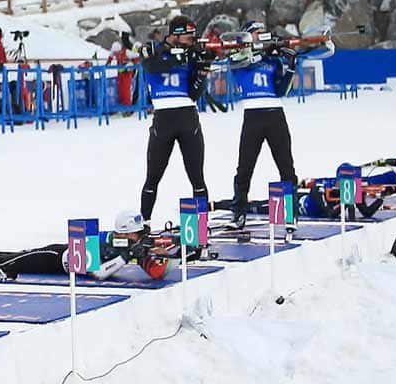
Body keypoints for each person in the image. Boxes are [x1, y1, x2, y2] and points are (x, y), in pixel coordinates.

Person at [223, 24, 332, 227]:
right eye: (256, 33)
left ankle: (290, 214)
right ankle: (238, 213)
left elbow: (281, 89)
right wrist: (263, 50)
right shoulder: (238, 54)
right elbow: (239, 62)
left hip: (275, 114)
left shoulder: (272, 60)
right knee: (245, 167)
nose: (260, 36)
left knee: (286, 166)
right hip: (253, 114)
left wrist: (290, 64)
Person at [137, 15, 212, 229]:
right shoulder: (154, 49)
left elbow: (193, 93)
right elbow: (152, 67)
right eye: (188, 37)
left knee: (197, 176)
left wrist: (202, 71)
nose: (191, 40)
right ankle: (144, 224)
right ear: (175, 35)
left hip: (188, 116)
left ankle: (201, 226)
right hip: (163, 118)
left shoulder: (191, 53)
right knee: (153, 176)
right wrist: (179, 58)